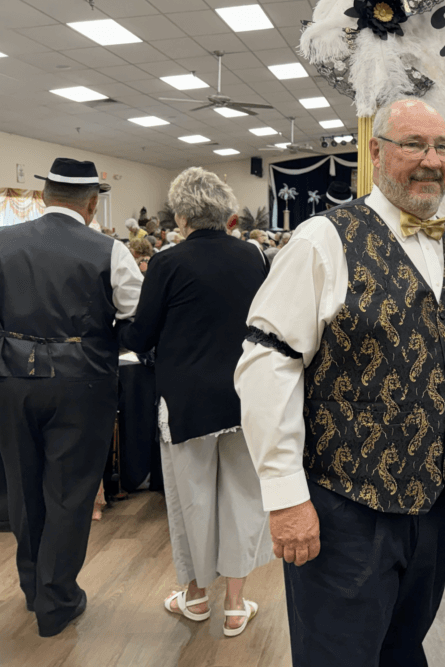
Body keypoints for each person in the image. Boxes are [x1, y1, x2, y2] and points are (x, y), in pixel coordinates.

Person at [236, 98, 445, 667]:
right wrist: (285, 496)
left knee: (403, 652)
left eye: (441, 147)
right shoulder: (322, 240)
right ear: (375, 152)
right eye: (413, 145)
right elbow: (267, 366)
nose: (431, 160)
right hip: (345, 510)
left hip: (435, 511)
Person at [119, 167, 271, 636]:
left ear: (182, 216)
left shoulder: (167, 262)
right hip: (246, 394)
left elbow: (142, 335)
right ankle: (235, 604)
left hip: (186, 399)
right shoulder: (254, 256)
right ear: (227, 213)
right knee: (245, 496)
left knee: (192, 499)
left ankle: (196, 596)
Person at [0, 158, 143, 637]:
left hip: (11, 381)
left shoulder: (3, 242)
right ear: (92, 203)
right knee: (69, 493)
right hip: (82, 383)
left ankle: (33, 589)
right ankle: (56, 600)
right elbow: (136, 318)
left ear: (44, 196)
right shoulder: (110, 250)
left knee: (22, 488)